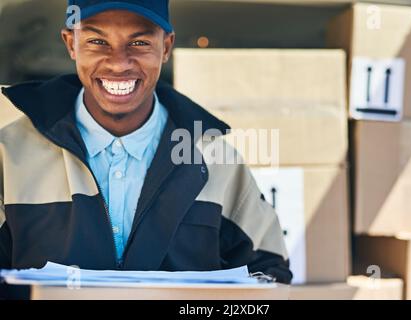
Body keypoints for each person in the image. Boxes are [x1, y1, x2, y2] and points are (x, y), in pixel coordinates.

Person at [0, 0, 292, 284]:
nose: (118, 63)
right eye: (97, 42)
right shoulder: (9, 154)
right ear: (71, 43)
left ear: (165, 47)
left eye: (138, 43)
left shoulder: (214, 159)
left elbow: (270, 272)